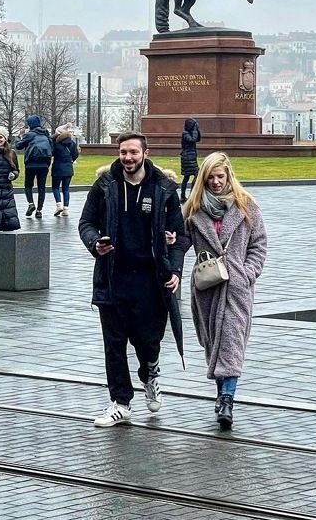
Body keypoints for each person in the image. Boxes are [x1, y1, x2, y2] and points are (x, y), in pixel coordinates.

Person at [78, 132, 187, 427]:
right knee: (114, 343)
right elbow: (86, 222)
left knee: (148, 340)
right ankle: (121, 402)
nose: (128, 158)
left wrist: (175, 270)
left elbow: (181, 235)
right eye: (123, 152)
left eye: (133, 153)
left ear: (145, 153)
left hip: (151, 281)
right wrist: (94, 244)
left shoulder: (163, 188)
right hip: (113, 277)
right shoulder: (104, 186)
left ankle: (150, 371)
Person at [182, 152, 267, 430]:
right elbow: (180, 243)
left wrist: (247, 273)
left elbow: (258, 244)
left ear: (229, 175)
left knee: (231, 342)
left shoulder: (246, 207)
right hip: (207, 288)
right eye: (211, 178)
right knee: (214, 343)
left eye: (221, 176)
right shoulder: (193, 211)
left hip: (237, 288)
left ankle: (227, 399)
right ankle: (222, 395)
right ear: (203, 180)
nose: (217, 182)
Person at [15, 114, 53, 218]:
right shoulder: (46, 134)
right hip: (44, 165)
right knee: (41, 187)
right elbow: (52, 149)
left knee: (28, 185)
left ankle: (31, 204)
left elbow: (18, 146)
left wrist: (18, 137)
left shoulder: (29, 135)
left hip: (30, 164)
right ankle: (39, 210)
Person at [52, 122, 80, 216]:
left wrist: (54, 136)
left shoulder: (56, 143)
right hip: (68, 168)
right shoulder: (72, 143)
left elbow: (51, 152)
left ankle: (58, 204)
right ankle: (66, 209)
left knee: (55, 187)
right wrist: (71, 160)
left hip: (57, 168)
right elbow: (76, 154)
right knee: (66, 189)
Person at [179, 117, 201, 202]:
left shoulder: (190, 132)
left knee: (189, 176)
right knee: (192, 176)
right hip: (187, 157)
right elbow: (193, 139)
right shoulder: (185, 133)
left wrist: (197, 130)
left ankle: (186, 196)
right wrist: (195, 130)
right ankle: (187, 196)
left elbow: (198, 139)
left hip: (191, 157)